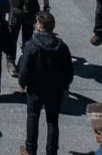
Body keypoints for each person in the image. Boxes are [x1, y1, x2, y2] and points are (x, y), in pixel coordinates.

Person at [17, 11, 73, 155]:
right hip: (55, 90)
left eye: (37, 23)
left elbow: (24, 68)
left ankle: (30, 149)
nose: (36, 25)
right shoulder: (61, 46)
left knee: (33, 117)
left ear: (41, 27)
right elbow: (68, 69)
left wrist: (22, 83)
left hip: (35, 89)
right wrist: (65, 86)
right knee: (53, 121)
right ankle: (52, 152)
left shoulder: (31, 45)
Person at [0, 0, 50, 76]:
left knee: (28, 38)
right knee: (12, 37)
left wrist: (46, 6)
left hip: (31, 9)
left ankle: (26, 61)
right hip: (15, 9)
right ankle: (10, 62)